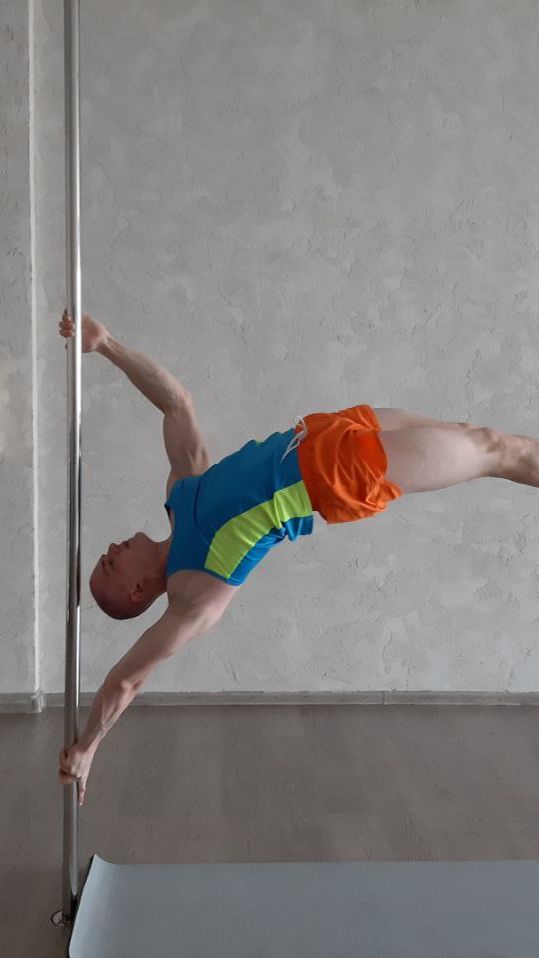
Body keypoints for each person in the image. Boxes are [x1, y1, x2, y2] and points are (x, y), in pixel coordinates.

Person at [57, 311, 539, 804]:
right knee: (494, 451)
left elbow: (176, 402)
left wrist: (107, 344)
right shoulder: (195, 592)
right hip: (341, 473)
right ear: (138, 591)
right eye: (111, 565)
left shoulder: (182, 491)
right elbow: (128, 679)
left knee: (482, 436)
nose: (111, 549)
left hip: (328, 431)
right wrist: (89, 746)